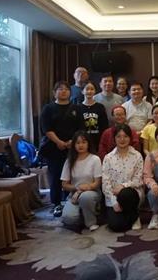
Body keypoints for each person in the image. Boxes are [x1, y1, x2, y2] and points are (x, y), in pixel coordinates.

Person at [39, 81, 85, 217]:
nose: (63, 91)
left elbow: (81, 128)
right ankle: (57, 203)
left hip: (73, 147)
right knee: (56, 175)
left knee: (73, 175)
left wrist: (72, 141)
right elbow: (46, 129)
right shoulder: (48, 108)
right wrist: (59, 142)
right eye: (60, 89)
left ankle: (71, 201)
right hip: (54, 148)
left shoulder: (76, 108)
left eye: (66, 89)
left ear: (70, 92)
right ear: (55, 93)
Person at [102, 124, 144, 232]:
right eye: (119, 136)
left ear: (130, 138)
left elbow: (138, 180)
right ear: (114, 138)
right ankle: (129, 217)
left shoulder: (137, 155)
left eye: (125, 136)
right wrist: (113, 202)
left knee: (125, 194)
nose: (122, 139)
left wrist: (123, 186)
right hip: (114, 197)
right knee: (116, 226)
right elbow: (106, 183)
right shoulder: (108, 158)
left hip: (132, 194)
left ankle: (135, 217)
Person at [60, 131, 102, 231]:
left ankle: (91, 222)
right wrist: (77, 188)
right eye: (78, 143)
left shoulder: (95, 159)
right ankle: (84, 213)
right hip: (74, 194)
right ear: (74, 145)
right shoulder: (69, 161)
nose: (81, 145)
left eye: (83, 142)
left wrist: (84, 189)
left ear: (88, 143)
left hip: (92, 192)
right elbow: (64, 184)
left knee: (85, 197)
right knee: (68, 219)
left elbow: (97, 183)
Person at [78, 82, 109, 151]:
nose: (89, 91)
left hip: (97, 141)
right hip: (82, 141)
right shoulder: (78, 107)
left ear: (95, 91)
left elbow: (104, 125)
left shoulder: (100, 107)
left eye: (92, 89)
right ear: (82, 91)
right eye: (87, 89)